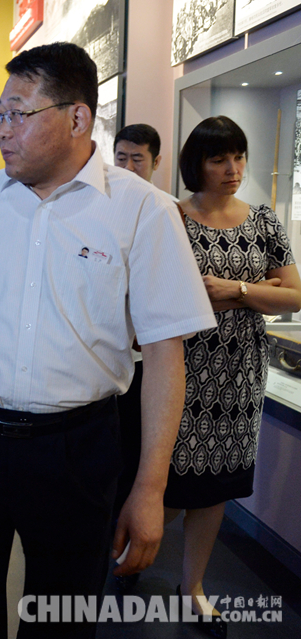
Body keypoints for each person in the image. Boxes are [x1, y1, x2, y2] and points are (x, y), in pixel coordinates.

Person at [0, 42, 217, 638]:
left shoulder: (144, 211)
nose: (3, 130)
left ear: (77, 117)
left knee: (62, 613)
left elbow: (166, 354)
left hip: (75, 450)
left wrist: (150, 488)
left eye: (18, 114)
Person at [165, 116, 301, 637]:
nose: (233, 169)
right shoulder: (172, 218)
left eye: (239, 157)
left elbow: (293, 295)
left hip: (240, 375)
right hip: (180, 369)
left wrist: (234, 291)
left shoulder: (263, 221)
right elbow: (162, 296)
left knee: (216, 488)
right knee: (165, 486)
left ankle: (193, 588)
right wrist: (258, 291)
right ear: (196, 163)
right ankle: (128, 552)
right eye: (219, 158)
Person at [110, 123, 170, 592]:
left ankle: (130, 554)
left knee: (134, 461)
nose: (129, 167)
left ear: (156, 163)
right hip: (107, 365)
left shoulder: (164, 211)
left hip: (146, 365)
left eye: (138, 159)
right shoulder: (102, 206)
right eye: (121, 157)